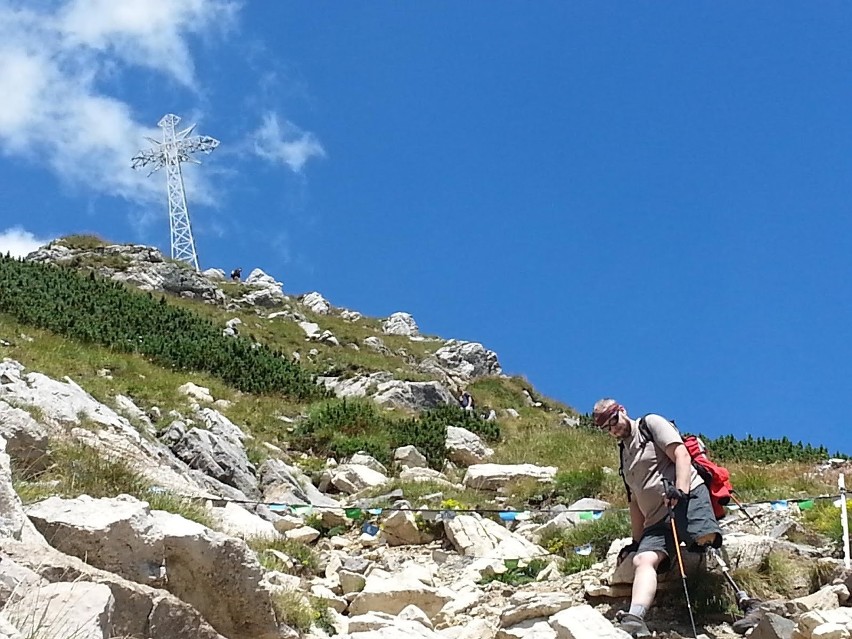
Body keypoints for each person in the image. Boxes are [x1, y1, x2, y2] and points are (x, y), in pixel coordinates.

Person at [592, 398, 762, 637]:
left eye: (614, 421)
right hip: (655, 519)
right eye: (607, 428)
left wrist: (679, 491)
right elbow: (634, 500)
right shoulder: (624, 453)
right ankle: (635, 617)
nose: (613, 429)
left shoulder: (650, 424)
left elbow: (681, 454)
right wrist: (636, 541)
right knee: (643, 560)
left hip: (688, 495)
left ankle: (750, 603)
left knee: (705, 541)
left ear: (622, 411)